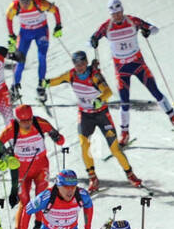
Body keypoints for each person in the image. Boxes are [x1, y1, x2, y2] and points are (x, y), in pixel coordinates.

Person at [89, 0, 174, 142]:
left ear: (122, 10)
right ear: (110, 14)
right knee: (124, 101)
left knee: (155, 92)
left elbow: (154, 28)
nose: (117, 16)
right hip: (122, 69)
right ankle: (124, 133)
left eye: (119, 12)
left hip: (138, 64)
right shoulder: (106, 27)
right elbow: (91, 40)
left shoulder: (132, 21)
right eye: (114, 14)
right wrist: (93, 41)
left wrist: (148, 31)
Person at [44, 50, 141, 191]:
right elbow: (56, 80)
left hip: (101, 115)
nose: (80, 67)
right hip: (85, 116)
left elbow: (107, 91)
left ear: (86, 62)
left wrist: (99, 99)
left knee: (114, 148)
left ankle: (130, 174)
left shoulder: (94, 75)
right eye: (77, 64)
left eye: (82, 63)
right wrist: (45, 83)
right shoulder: (71, 75)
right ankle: (93, 178)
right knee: (84, 145)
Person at [0, 104, 67, 229]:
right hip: (21, 170)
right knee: (24, 201)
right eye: (23, 121)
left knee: (40, 198)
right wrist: (4, 152)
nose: (28, 124)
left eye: (29, 120)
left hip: (40, 167)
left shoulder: (40, 123)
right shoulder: (11, 130)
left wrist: (56, 136)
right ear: (17, 120)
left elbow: (61, 141)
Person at [5, 0, 63, 101]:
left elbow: (55, 9)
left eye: (28, 1)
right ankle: (15, 87)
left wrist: (58, 26)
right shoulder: (15, 6)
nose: (25, 4)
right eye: (22, 1)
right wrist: (11, 34)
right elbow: (8, 18)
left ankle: (41, 86)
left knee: (41, 57)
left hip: (40, 31)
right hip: (25, 33)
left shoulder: (39, 3)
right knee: (20, 60)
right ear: (19, 0)